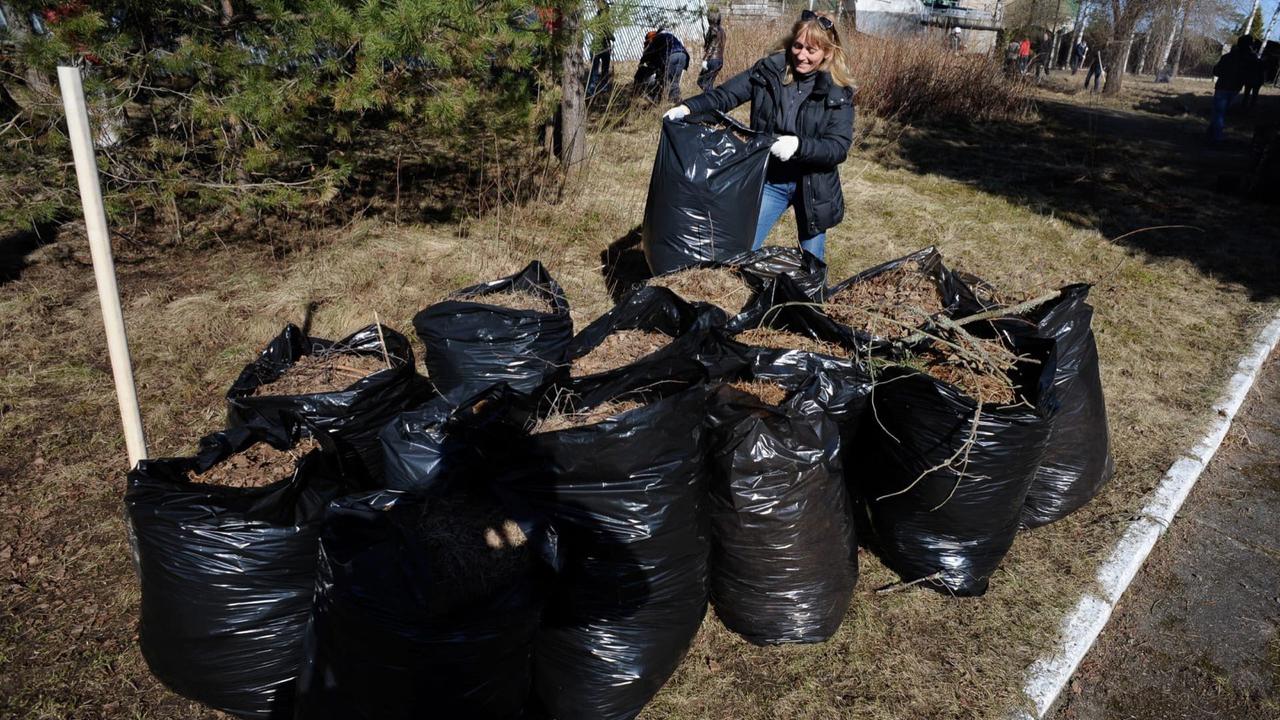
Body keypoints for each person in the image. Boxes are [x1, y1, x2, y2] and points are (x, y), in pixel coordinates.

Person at [662, 10, 854, 261]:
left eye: (811, 50)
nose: (801, 55)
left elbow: (837, 146)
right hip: (771, 177)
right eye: (797, 46)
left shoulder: (838, 91)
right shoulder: (768, 72)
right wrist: (689, 108)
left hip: (813, 185)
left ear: (827, 52)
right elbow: (725, 95)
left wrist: (798, 146)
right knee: (742, 248)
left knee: (812, 264)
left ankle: (811, 301)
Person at [1208, 35, 1253, 142]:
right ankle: (1210, 134)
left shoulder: (1228, 57)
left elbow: (1216, 71)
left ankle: (1216, 138)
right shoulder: (1249, 59)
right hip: (1235, 89)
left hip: (1223, 87)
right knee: (1220, 112)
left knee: (1219, 113)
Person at [635, 29, 690, 104]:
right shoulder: (670, 36)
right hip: (684, 56)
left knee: (670, 84)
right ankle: (676, 103)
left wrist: (641, 64)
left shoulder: (656, 38)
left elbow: (648, 53)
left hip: (671, 56)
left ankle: (677, 106)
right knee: (674, 82)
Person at [698, 8, 726, 92]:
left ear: (710, 19)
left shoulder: (712, 29)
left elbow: (712, 45)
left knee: (703, 83)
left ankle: (712, 102)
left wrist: (705, 60)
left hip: (712, 60)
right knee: (708, 84)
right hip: (719, 60)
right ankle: (712, 100)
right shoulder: (722, 30)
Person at [1242, 37, 1265, 111]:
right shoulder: (1259, 61)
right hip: (1255, 80)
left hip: (1250, 79)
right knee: (1253, 95)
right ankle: (1250, 107)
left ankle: (1245, 106)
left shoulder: (1250, 59)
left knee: (1247, 94)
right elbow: (1262, 71)